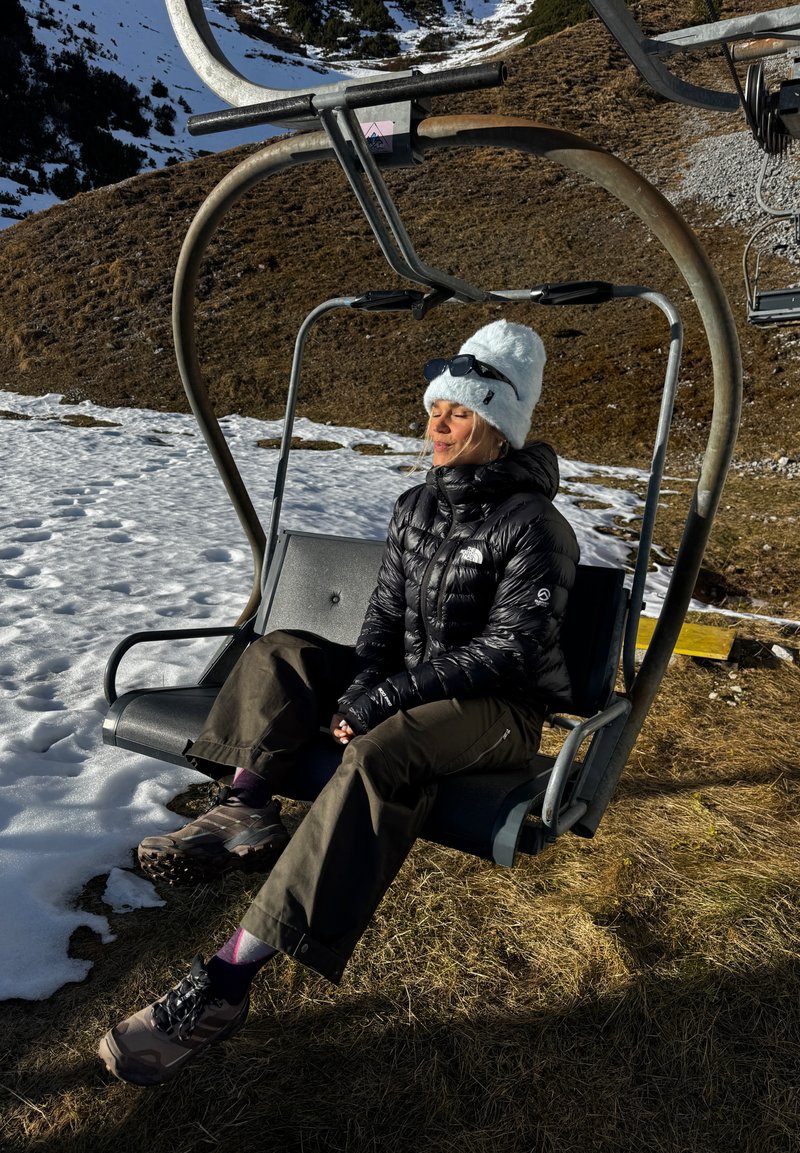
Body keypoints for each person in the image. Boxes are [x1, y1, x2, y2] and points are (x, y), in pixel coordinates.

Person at [97, 318, 580, 1086]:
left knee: (381, 753)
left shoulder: (537, 528)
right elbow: (384, 618)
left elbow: (509, 650)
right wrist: (362, 684)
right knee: (281, 649)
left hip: (497, 709)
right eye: (434, 409)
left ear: (498, 426)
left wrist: (386, 697)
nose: (437, 425)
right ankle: (247, 804)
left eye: (457, 412)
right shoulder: (414, 506)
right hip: (418, 681)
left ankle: (226, 982)